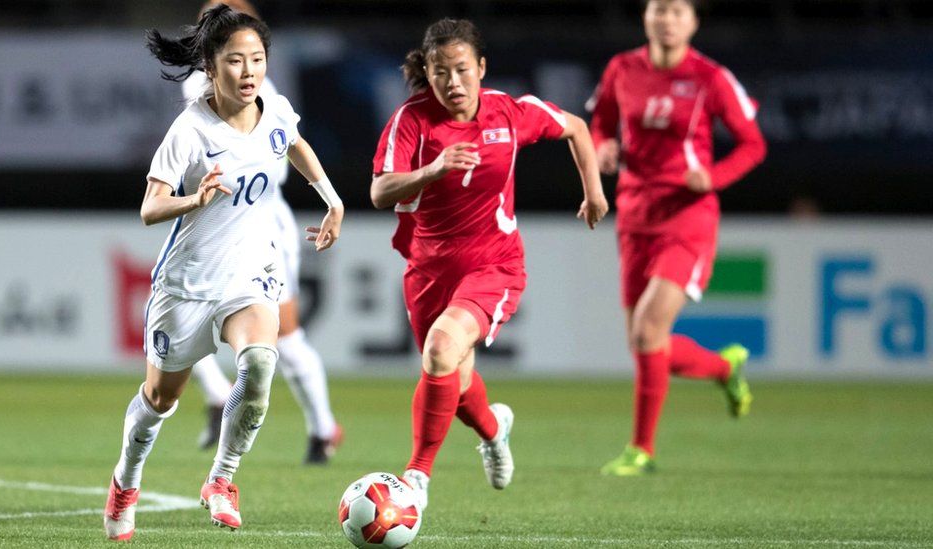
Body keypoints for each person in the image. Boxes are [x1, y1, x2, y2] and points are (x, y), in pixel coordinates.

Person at [103, 5, 344, 540]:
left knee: (260, 362)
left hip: (249, 275)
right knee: (160, 401)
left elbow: (295, 145)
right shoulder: (191, 129)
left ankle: (221, 479)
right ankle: (126, 479)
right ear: (210, 68)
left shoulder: (274, 109)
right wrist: (195, 197)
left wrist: (332, 200)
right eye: (235, 60)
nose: (248, 70)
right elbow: (150, 208)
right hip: (187, 286)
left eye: (256, 58)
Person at [371, 18, 608, 510]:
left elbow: (577, 128)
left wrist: (594, 192)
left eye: (461, 70)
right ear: (428, 73)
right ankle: (495, 429)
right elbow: (379, 191)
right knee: (452, 381)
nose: (452, 83)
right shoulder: (411, 120)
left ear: (481, 67)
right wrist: (434, 169)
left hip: (494, 264)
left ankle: (416, 477)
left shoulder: (508, 113)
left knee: (439, 351)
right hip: (429, 268)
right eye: (441, 72)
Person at [588, 0, 766, 476]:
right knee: (646, 343)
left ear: (694, 22)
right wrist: (603, 144)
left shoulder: (710, 76)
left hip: (687, 218)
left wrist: (714, 175)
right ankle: (726, 368)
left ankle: (640, 450)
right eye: (659, 9)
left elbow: (754, 144)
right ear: (645, 16)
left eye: (677, 11)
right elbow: (601, 119)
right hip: (634, 214)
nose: (667, 20)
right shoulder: (622, 69)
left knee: (648, 333)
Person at [182, 0, 343, 465]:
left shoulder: (251, 88)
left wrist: (332, 200)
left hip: (260, 225)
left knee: (283, 338)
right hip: (211, 223)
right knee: (175, 319)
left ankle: (322, 428)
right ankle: (217, 396)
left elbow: (287, 148)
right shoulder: (203, 81)